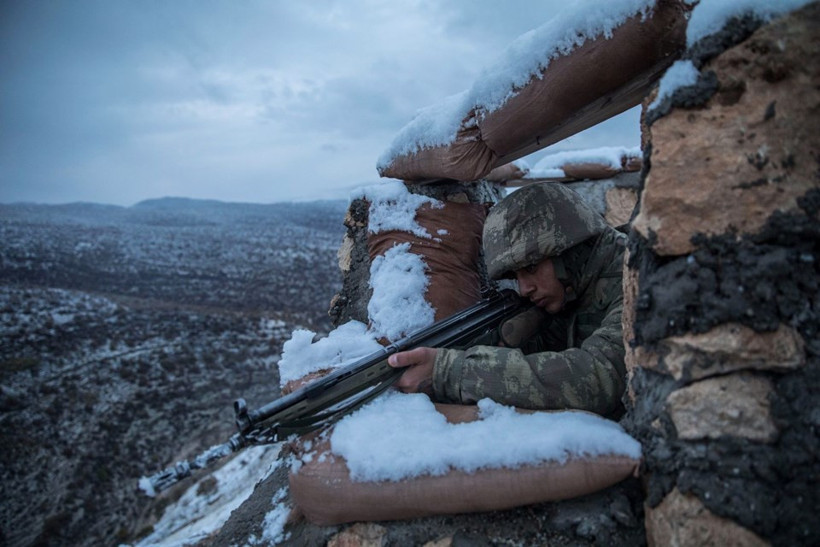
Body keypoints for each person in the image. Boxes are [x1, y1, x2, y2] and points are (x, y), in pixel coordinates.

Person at [387, 182, 627, 418]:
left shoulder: (637, 277)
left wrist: (453, 372)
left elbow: (599, 379)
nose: (524, 289)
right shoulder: (575, 289)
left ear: (570, 249)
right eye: (515, 276)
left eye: (531, 268)